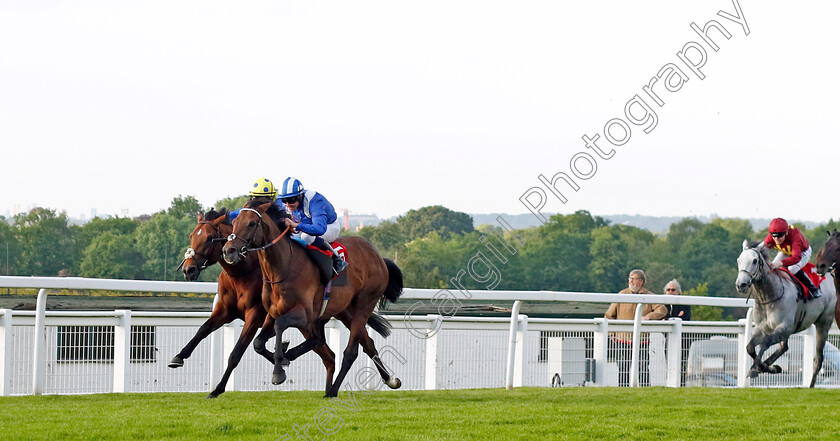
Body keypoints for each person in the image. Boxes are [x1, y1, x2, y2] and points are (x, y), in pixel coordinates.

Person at [604, 269, 667, 387]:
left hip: (642, 340)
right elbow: (609, 315)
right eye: (630, 278)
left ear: (641, 282)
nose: (631, 281)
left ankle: (645, 391)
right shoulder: (622, 295)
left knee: (643, 367)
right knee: (623, 367)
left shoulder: (649, 296)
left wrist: (649, 317)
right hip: (623, 340)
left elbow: (662, 309)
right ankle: (623, 391)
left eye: (634, 279)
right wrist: (611, 333)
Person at [278, 177, 347, 275]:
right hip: (305, 228)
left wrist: (296, 225)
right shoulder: (283, 204)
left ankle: (337, 259)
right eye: (284, 200)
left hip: (329, 226)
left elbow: (320, 229)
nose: (288, 204)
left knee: (306, 236)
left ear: (300, 196)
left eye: (291, 200)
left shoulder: (314, 200)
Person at [761, 217, 820, 298]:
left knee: (792, 268)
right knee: (772, 268)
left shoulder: (795, 237)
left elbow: (796, 257)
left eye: (779, 236)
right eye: (774, 236)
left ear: (786, 233)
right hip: (786, 252)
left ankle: (813, 288)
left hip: (802, 252)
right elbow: (760, 249)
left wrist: (780, 263)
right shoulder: (771, 238)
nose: (776, 239)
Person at [663, 279, 691, 386]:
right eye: (668, 290)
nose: (670, 292)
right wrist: (676, 317)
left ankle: (682, 384)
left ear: (678, 292)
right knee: (669, 363)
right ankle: (670, 384)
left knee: (682, 363)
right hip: (667, 340)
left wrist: (669, 318)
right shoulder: (663, 305)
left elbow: (685, 318)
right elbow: (662, 318)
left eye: (673, 290)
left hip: (683, 340)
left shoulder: (685, 303)